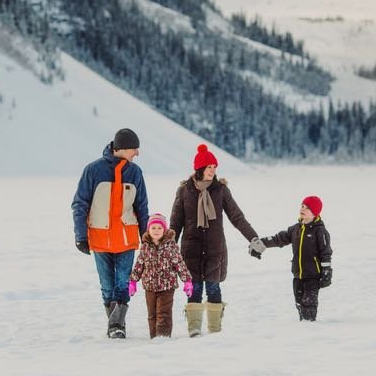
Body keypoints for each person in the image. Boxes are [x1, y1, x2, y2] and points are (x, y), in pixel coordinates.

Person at [169, 143, 260, 336]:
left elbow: (237, 217)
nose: (212, 171)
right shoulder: (184, 191)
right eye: (209, 167)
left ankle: (215, 330)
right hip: (191, 249)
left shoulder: (221, 191)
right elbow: (175, 223)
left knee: (213, 287)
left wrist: (253, 238)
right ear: (200, 168)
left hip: (214, 249)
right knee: (193, 288)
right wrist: (168, 248)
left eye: (214, 167)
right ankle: (194, 328)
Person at [71, 128, 149, 339]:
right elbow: (80, 204)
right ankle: (115, 324)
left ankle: (116, 326)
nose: (137, 153)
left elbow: (142, 206)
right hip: (100, 238)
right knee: (107, 286)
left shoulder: (135, 173)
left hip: (126, 238)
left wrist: (146, 236)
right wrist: (80, 235)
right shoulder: (93, 171)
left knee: (123, 283)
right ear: (122, 148)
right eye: (135, 148)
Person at [249, 196, 332, 321]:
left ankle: (310, 326)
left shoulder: (320, 231)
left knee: (308, 303)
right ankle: (303, 324)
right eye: (302, 206)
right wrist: (261, 244)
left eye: (307, 208)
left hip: (313, 275)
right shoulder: (296, 229)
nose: (303, 209)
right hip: (298, 274)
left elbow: (326, 252)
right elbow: (279, 239)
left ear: (315, 213)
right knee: (299, 302)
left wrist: (326, 271)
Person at [128, 213, 193, 338]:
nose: (156, 231)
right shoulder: (145, 246)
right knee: (152, 314)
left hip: (167, 286)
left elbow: (179, 263)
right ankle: (154, 337)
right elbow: (139, 265)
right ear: (148, 229)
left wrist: (187, 281)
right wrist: (133, 282)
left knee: (164, 313)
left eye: (159, 228)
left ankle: (162, 337)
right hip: (150, 286)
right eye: (153, 228)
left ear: (164, 229)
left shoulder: (171, 246)